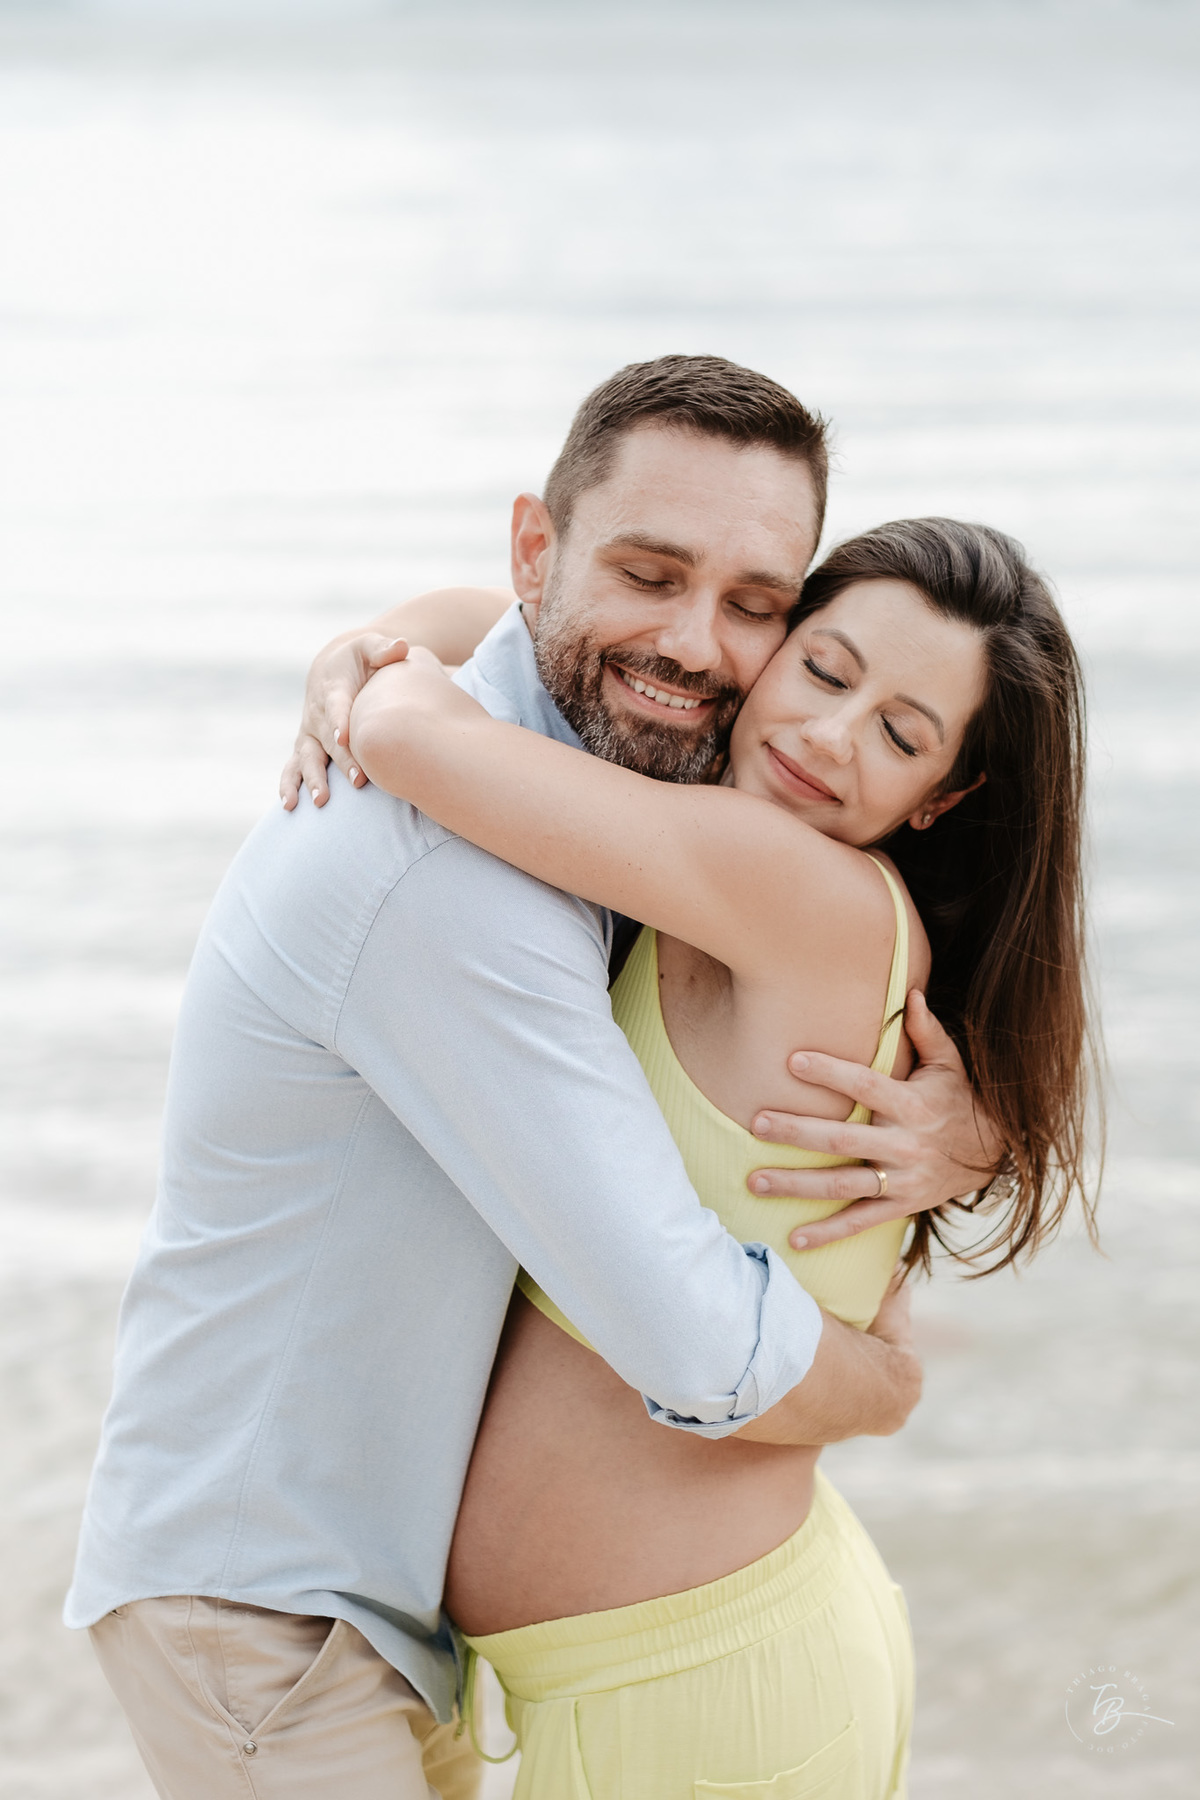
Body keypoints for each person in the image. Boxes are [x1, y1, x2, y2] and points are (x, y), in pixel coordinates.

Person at [67, 357, 996, 1800]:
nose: (696, 644)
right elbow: (691, 1338)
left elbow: (480, 641)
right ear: (534, 552)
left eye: (755, 606)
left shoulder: (591, 777)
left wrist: (969, 1132)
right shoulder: (452, 883)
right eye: (649, 573)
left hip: (377, 1613)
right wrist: (877, 1385)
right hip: (266, 1610)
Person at [329, 513, 1096, 1797]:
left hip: (700, 1692)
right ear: (773, 642)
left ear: (943, 797)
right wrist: (376, 640)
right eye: (824, 669)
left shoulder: (790, 884)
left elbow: (413, 733)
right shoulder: (735, 864)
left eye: (902, 736)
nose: (828, 739)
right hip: (675, 1665)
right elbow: (492, 621)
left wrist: (358, 665)